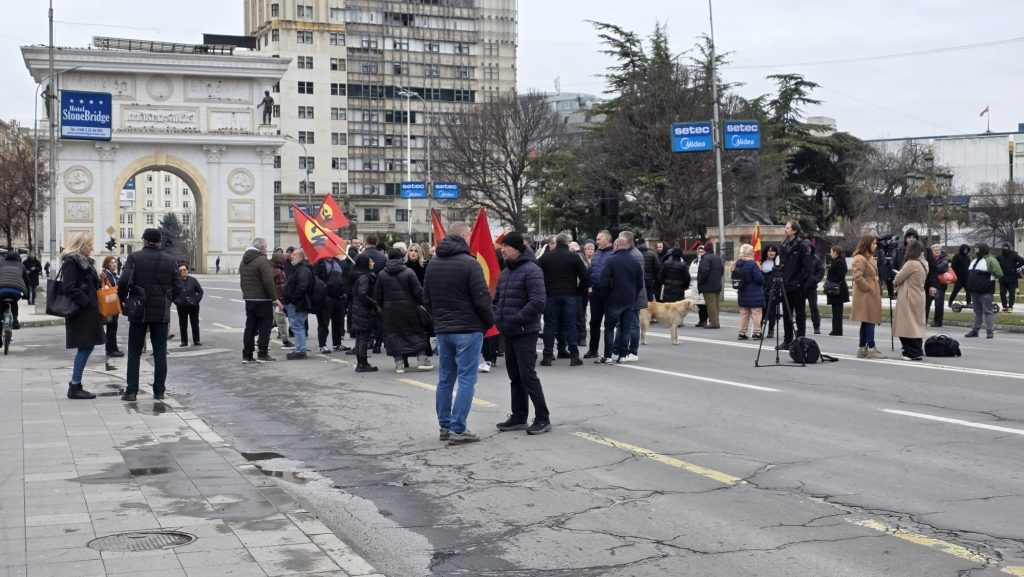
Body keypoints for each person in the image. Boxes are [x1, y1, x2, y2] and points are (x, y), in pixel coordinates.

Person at [424, 222, 494, 445]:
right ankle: (458, 427)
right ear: (465, 235)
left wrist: (438, 319)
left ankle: (445, 425)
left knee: (445, 378)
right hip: (468, 328)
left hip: (444, 329)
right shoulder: (470, 263)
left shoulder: (433, 263)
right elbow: (482, 298)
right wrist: (488, 322)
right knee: (466, 379)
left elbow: (427, 298)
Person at [494, 232, 551, 435]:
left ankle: (543, 417)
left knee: (527, 375)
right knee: (515, 376)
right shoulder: (505, 272)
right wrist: (497, 318)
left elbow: (538, 301)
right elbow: (497, 300)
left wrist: (516, 318)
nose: (502, 249)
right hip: (508, 331)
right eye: (502, 246)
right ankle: (519, 416)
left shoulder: (532, 270)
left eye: (506, 246)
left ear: (517, 248)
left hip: (525, 331)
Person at [118, 228, 182, 401]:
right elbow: (178, 287)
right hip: (161, 313)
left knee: (134, 352)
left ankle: (131, 391)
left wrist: (123, 299)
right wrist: (167, 301)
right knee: (160, 352)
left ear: (145, 241)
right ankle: (159, 391)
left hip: (139, 311)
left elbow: (124, 281)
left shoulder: (134, 257)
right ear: (159, 242)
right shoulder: (170, 260)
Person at [59, 233, 103, 399]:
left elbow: (87, 283)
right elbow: (68, 287)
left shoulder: (84, 262)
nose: (92, 248)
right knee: (85, 347)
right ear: (82, 245)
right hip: (80, 311)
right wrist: (86, 301)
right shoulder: (72, 261)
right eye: (89, 245)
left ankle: (76, 384)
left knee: (87, 346)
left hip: (87, 311)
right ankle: (75, 386)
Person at [375, 248, 432, 373]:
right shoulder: (409, 272)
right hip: (409, 308)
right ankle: (422, 359)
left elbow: (378, 295)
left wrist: (382, 307)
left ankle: (399, 363)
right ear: (401, 257)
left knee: (394, 335)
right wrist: (423, 304)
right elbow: (418, 291)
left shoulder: (382, 274)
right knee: (416, 332)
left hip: (390, 311)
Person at [537, 233, 589, 366]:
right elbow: (585, 277)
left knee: (549, 326)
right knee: (570, 325)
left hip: (550, 294)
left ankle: (547, 356)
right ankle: (574, 356)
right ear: (567, 243)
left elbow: (536, 273)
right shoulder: (574, 257)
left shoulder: (546, 257)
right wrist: (578, 291)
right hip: (569, 294)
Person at [596, 237, 644, 364]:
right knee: (626, 328)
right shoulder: (635, 261)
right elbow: (640, 283)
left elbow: (603, 281)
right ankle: (623, 356)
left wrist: (604, 296)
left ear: (617, 245)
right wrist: (633, 295)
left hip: (613, 299)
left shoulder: (611, 260)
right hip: (629, 300)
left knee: (609, 328)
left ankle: (608, 356)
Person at [239, 237, 281, 364]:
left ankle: (247, 355)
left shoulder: (244, 261)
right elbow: (268, 282)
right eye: (266, 247)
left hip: (249, 299)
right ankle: (262, 354)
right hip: (262, 299)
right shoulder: (262, 260)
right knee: (265, 327)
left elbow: (242, 281)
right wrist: (275, 298)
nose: (267, 250)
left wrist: (247, 294)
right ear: (262, 248)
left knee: (250, 327)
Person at [777, 220, 814, 350]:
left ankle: (801, 340)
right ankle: (787, 340)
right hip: (786, 285)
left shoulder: (802, 246)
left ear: (794, 230)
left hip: (798, 287)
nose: (785, 229)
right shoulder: (784, 245)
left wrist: (800, 282)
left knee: (800, 314)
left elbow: (808, 268)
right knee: (787, 314)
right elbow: (782, 265)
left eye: (787, 228)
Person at [850, 236, 886, 359]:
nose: (876, 245)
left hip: (871, 293)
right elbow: (857, 276)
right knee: (869, 320)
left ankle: (862, 348)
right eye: (873, 243)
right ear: (867, 244)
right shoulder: (859, 258)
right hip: (865, 295)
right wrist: (868, 288)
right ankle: (871, 348)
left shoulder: (870, 257)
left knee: (867, 321)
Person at [892, 239, 928, 360]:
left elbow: (898, 279)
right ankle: (917, 350)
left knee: (906, 325)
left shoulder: (911, 263)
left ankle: (911, 352)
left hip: (908, 296)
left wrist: (897, 275)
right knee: (916, 324)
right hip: (919, 295)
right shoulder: (924, 263)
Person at [583, 231, 614, 359]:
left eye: (599, 239)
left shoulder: (613, 254)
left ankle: (608, 352)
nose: (597, 241)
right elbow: (592, 271)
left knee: (609, 324)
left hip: (609, 294)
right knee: (594, 322)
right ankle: (593, 349)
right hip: (595, 293)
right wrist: (590, 286)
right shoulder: (596, 254)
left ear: (607, 239)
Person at [348, 253, 379, 371]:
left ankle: (361, 362)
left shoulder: (358, 276)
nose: (373, 263)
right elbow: (363, 294)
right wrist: (374, 304)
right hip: (363, 310)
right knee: (363, 337)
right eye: (370, 261)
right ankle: (362, 363)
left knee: (360, 337)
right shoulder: (364, 277)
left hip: (358, 309)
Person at [965, 243, 1002, 339]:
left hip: (986, 290)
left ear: (982, 249)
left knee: (988, 311)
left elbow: (999, 273)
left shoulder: (990, 260)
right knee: (977, 311)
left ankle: (989, 331)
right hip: (974, 290)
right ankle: (975, 330)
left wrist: (991, 276)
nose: (975, 250)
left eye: (977, 248)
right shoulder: (974, 260)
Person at [283, 248, 314, 360]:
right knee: (297, 326)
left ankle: (300, 350)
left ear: (301, 257)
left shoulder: (302, 270)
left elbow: (302, 286)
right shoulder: (298, 268)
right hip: (297, 303)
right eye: (292, 254)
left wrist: (293, 300)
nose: (291, 256)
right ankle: (299, 349)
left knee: (298, 326)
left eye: (294, 254)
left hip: (299, 303)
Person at [315, 254, 348, 354]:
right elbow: (316, 280)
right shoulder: (319, 264)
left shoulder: (338, 262)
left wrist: (344, 292)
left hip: (339, 297)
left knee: (338, 322)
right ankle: (322, 345)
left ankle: (337, 343)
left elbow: (343, 278)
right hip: (326, 297)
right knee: (323, 322)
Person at [733, 244, 764, 339]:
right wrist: (760, 271)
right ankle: (757, 333)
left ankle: (742, 333)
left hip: (742, 292)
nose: (754, 253)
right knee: (756, 313)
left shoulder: (737, 262)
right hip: (754, 293)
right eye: (752, 251)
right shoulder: (752, 263)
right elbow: (759, 278)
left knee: (744, 313)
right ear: (749, 252)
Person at [99, 256, 124, 357]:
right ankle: (111, 350)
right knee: (112, 327)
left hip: (113, 303)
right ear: (107, 264)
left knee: (112, 326)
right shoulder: (105, 274)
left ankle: (112, 348)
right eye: (112, 263)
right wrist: (115, 288)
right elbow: (104, 287)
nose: (114, 264)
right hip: (110, 304)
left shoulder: (112, 274)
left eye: (115, 262)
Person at [174, 263, 203, 347]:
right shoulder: (176, 281)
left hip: (193, 306)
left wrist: (196, 300)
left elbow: (200, 291)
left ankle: (196, 340)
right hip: (181, 306)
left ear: (187, 271)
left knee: (195, 323)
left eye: (184, 270)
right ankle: (184, 341)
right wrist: (176, 301)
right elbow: (172, 293)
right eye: (180, 270)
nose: (183, 271)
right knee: (183, 324)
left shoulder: (193, 280)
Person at [697, 241, 724, 329]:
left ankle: (713, 322)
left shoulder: (705, 258)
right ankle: (716, 321)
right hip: (717, 284)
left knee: (710, 305)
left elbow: (703, 272)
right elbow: (722, 271)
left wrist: (700, 283)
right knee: (716, 305)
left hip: (708, 286)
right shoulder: (717, 258)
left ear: (705, 249)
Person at [270, 251, 293, 348]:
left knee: (269, 321)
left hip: (273, 299)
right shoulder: (278, 271)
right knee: (281, 321)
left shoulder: (272, 269)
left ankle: (260, 341)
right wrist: (281, 300)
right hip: (278, 300)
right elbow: (280, 288)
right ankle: (285, 341)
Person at [0, 251, 29, 330]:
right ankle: (15, 321)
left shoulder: (1, 264)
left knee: (1, 303)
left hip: (1, 291)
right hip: (15, 291)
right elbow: (27, 281)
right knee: (14, 303)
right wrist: (26, 295)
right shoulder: (21, 265)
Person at [825, 246, 849, 336]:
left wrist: (832, 282)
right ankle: (835, 329)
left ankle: (838, 330)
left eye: (831, 252)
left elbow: (841, 275)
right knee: (835, 310)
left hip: (838, 289)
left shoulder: (840, 262)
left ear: (835, 252)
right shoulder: (836, 261)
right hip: (835, 288)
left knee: (838, 311)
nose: (830, 253)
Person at [925, 244, 949, 327]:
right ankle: (923, 320)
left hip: (940, 286)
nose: (937, 251)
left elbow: (938, 269)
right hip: (929, 285)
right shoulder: (928, 259)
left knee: (938, 305)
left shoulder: (944, 260)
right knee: (926, 303)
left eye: (938, 250)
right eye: (935, 250)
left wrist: (930, 269)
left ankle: (938, 322)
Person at [995, 243, 1024, 312]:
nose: (1005, 250)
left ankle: (1010, 306)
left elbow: (1022, 260)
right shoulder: (1000, 256)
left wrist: (1015, 267)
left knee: (1012, 293)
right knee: (1002, 293)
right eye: (1004, 248)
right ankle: (1004, 307)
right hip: (1002, 278)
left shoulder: (1014, 255)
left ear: (1009, 248)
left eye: (1006, 248)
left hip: (1012, 278)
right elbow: (994, 262)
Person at [804, 245, 825, 335]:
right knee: (800, 309)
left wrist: (815, 280)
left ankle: (816, 326)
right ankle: (801, 327)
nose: (807, 249)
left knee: (814, 308)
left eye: (809, 248)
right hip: (801, 287)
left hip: (812, 287)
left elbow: (821, 270)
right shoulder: (799, 258)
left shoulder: (816, 259)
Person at [577, 241, 595, 347]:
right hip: (583, 289)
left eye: (592, 249)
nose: (590, 251)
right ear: (585, 250)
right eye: (588, 249)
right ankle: (582, 336)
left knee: (594, 313)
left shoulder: (596, 260)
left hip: (594, 289)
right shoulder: (581, 260)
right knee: (582, 313)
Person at [761, 245, 779, 337]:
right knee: (761, 310)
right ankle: (758, 330)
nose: (771, 253)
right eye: (769, 251)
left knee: (772, 311)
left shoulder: (777, 263)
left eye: (773, 251)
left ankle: (771, 330)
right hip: (762, 289)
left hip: (773, 289)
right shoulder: (761, 262)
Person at [637, 237, 662, 303]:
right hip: (649, 280)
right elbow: (657, 267)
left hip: (638, 280)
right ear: (645, 243)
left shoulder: (635, 254)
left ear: (637, 244)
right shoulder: (652, 253)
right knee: (649, 298)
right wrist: (654, 277)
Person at [947, 244, 972, 308]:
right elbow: (953, 266)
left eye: (967, 250)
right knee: (955, 291)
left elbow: (969, 266)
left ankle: (968, 302)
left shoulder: (967, 257)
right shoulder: (956, 256)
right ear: (962, 249)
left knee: (968, 291)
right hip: (959, 278)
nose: (965, 251)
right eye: (964, 249)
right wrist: (960, 272)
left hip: (966, 278)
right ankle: (950, 302)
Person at [688, 247, 707, 327]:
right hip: (695, 285)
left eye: (702, 252)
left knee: (704, 304)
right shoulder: (694, 262)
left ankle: (704, 320)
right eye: (699, 252)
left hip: (703, 285)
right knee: (698, 304)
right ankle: (701, 320)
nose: (700, 254)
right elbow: (690, 272)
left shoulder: (706, 261)